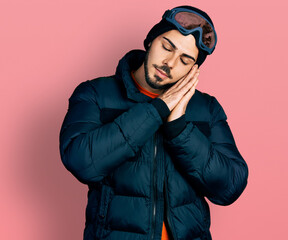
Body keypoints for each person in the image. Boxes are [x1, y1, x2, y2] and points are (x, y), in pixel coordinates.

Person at [59, 5, 248, 240]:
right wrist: (157, 109)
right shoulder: (95, 94)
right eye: (167, 46)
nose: (169, 62)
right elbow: (81, 161)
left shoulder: (206, 109)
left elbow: (230, 187)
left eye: (185, 59)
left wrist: (179, 128)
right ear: (150, 41)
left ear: (193, 70)